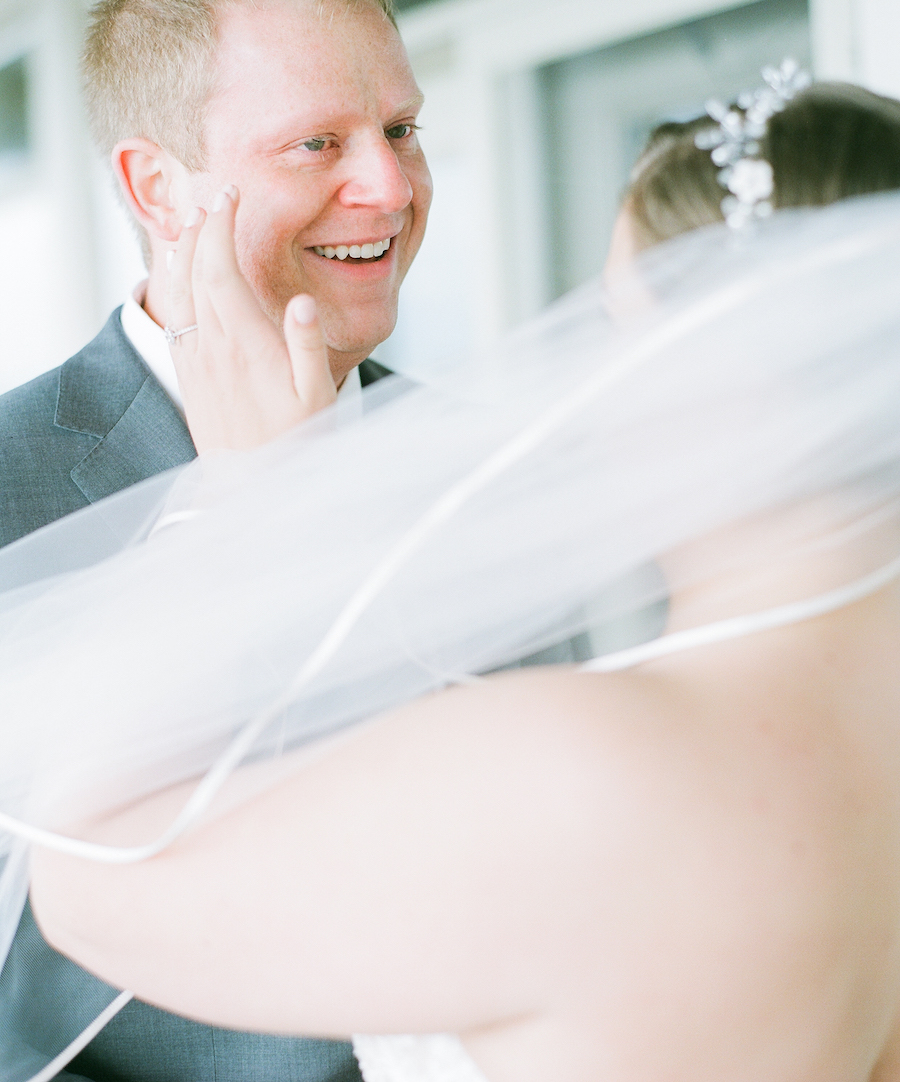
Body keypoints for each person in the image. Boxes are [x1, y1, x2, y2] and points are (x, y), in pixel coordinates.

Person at [3, 73, 900, 1082]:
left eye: (623, 331)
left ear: (731, 385)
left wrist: (240, 508)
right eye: (315, 142)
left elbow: (81, 882)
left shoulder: (595, 766)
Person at [0, 0, 431, 1082]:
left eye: (400, 129)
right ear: (158, 187)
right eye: (316, 143)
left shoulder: (478, 460)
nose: (388, 187)